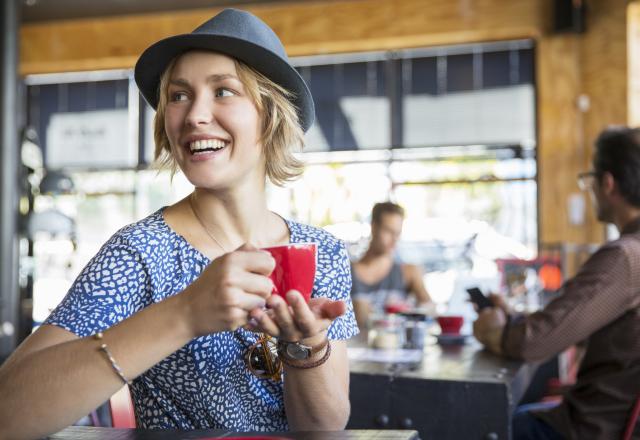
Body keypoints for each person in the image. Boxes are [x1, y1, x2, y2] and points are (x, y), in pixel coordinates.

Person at [0, 9, 358, 438]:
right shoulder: (140, 252)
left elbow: (325, 427)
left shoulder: (321, 252)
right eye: (178, 95)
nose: (194, 116)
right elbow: (9, 412)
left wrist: (306, 345)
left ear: (271, 114)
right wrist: (186, 312)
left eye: (223, 91)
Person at [473, 126, 640, 440]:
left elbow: (534, 343)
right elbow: (567, 323)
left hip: (597, 430)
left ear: (607, 183)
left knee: (484, 425)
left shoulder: (626, 257)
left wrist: (491, 331)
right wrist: (513, 319)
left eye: (589, 179)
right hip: (616, 421)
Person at [351, 202, 433, 329]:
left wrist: (409, 311)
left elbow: (431, 311)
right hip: (358, 346)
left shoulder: (409, 272)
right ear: (373, 227)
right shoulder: (347, 272)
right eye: (388, 231)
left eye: (397, 233)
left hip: (396, 345)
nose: (394, 239)